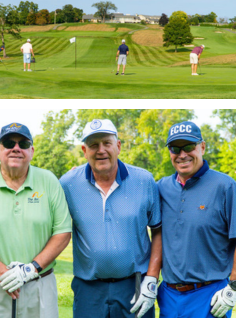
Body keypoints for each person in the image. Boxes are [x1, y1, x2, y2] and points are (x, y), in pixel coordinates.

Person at [0, 122, 73, 317]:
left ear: (32, 151)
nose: (16, 149)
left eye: (23, 144)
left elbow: (62, 232)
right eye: (9, 143)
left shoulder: (49, 181)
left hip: (39, 287)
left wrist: (31, 268)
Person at [60, 119, 161, 318]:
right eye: (93, 145)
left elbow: (158, 230)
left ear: (118, 146)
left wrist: (152, 277)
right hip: (88, 288)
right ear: (84, 150)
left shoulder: (144, 180)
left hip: (135, 285)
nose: (101, 150)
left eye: (107, 143)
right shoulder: (68, 184)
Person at [157, 121, 236, 318]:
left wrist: (233, 287)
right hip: (169, 296)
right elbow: (155, 235)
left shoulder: (225, 186)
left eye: (189, 147)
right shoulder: (161, 187)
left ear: (202, 147)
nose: (182, 154)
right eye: (175, 148)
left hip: (210, 295)